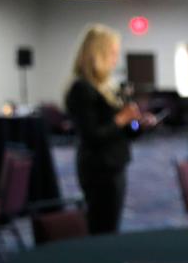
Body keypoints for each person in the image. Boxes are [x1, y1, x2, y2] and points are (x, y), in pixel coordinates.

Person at [64, 24, 153, 234]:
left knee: (111, 224)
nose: (116, 59)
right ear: (99, 54)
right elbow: (92, 135)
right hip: (98, 168)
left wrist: (137, 124)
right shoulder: (82, 89)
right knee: (102, 226)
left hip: (114, 164)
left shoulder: (106, 87)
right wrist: (122, 118)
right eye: (112, 53)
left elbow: (121, 132)